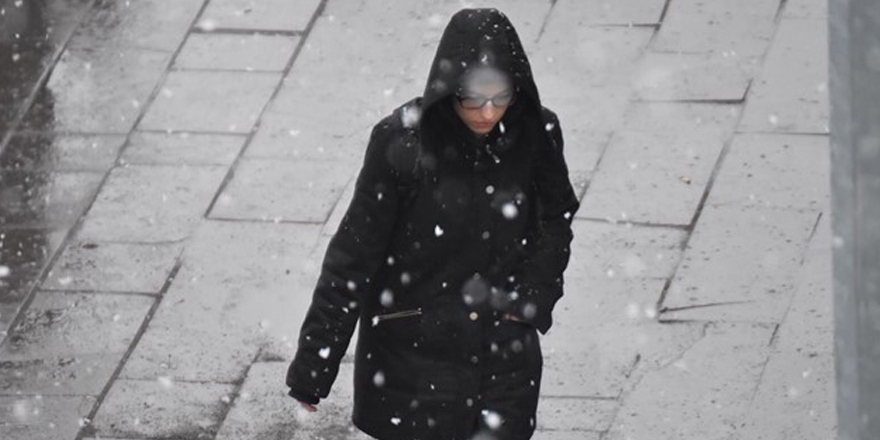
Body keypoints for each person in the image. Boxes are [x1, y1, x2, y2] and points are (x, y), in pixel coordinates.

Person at [286, 8, 580, 440]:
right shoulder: (401, 146)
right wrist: (315, 366)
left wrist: (533, 296)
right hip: (413, 356)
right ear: (448, 92)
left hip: (503, 355)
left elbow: (556, 217)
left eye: (501, 98)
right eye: (472, 100)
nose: (486, 113)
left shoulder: (536, 132)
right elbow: (353, 257)